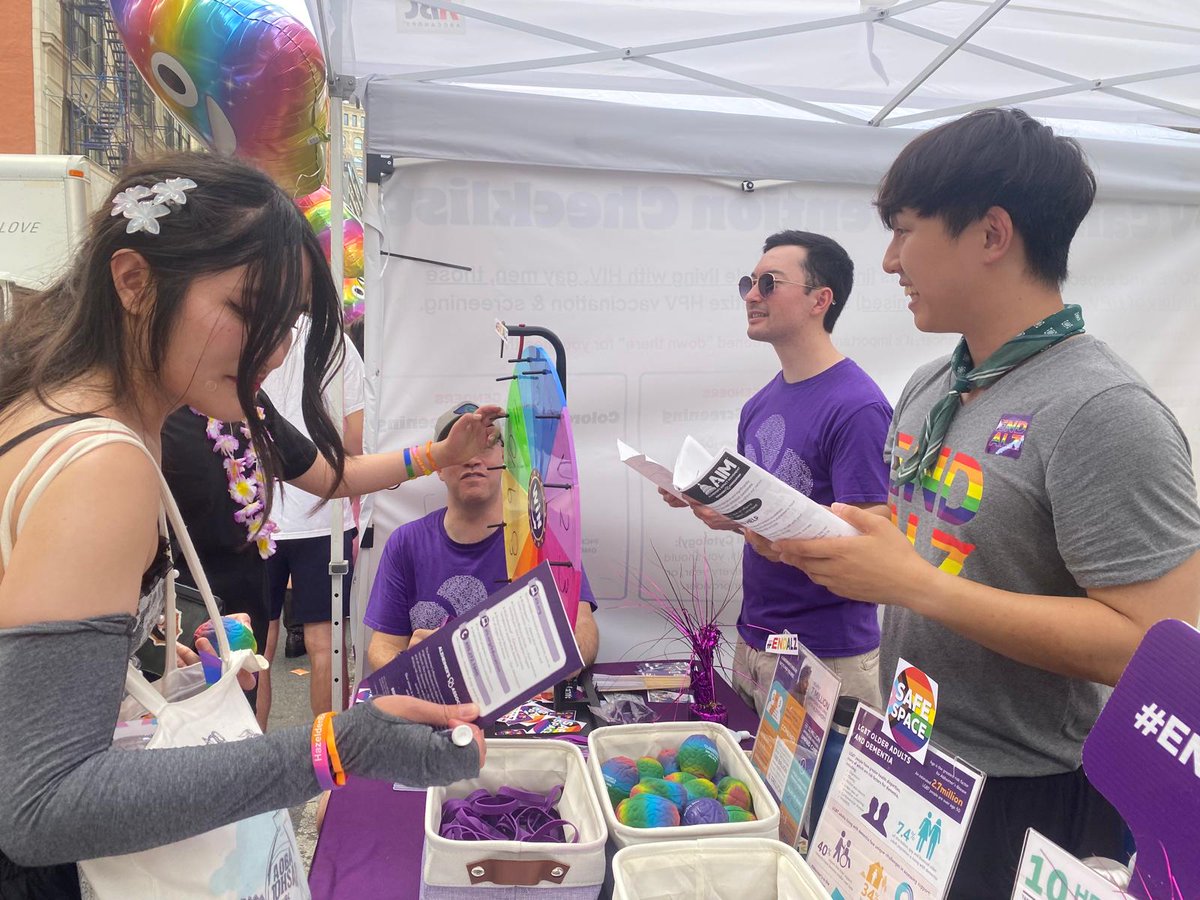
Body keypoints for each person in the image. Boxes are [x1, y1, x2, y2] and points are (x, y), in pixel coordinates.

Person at [0, 153, 490, 896]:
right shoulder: (103, 462)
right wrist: (336, 745)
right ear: (133, 282)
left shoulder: (61, 405)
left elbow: (330, 474)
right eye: (243, 309)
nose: (271, 349)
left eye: (285, 322)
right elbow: (41, 807)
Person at [771, 108, 1200, 895]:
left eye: (904, 229)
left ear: (992, 234)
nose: (891, 259)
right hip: (906, 761)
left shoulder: (1102, 410)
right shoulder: (933, 386)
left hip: (1027, 796)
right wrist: (803, 532)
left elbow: (1155, 648)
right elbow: (922, 542)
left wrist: (916, 585)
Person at [662, 231, 892, 714]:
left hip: (825, 655)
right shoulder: (759, 404)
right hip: (755, 642)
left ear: (819, 300)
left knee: (820, 794)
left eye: (769, 283)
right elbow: (771, 518)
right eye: (750, 281)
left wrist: (749, 521)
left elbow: (868, 548)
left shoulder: (858, 407)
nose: (751, 295)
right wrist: (722, 510)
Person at [365, 402, 600, 673]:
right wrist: (415, 666)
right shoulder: (406, 543)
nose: (473, 459)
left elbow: (583, 627)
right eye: (458, 448)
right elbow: (382, 645)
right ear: (438, 468)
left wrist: (568, 658)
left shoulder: (543, 534)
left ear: (505, 459)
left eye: (486, 445)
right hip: (439, 706)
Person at [261, 314, 366, 722]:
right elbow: (354, 438)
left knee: (254, 652)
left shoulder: (244, 326)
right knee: (328, 647)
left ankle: (254, 766)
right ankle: (330, 769)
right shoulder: (332, 338)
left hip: (255, 513)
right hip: (325, 513)